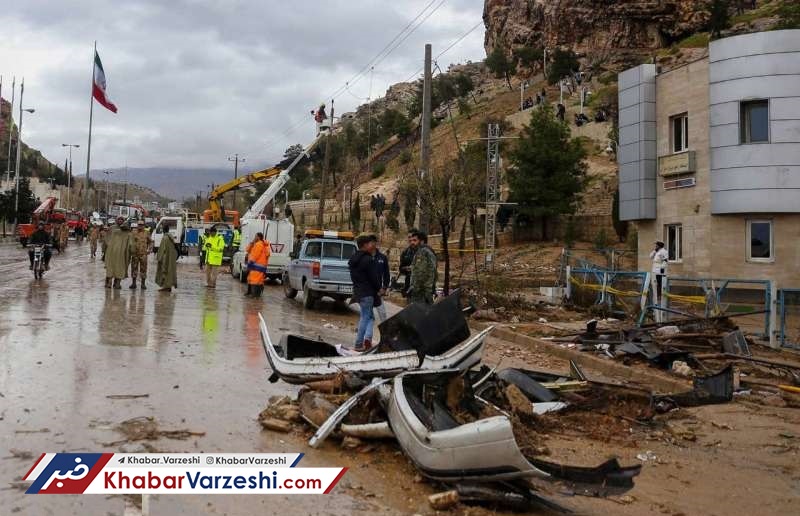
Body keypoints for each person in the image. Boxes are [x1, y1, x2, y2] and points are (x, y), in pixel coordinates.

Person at [348, 234, 382, 351]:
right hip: (367, 293)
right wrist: (379, 289)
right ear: (364, 245)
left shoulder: (353, 259)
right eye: (369, 244)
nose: (371, 245)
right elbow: (374, 278)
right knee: (365, 317)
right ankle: (359, 343)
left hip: (358, 292)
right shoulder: (368, 260)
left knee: (369, 317)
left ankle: (367, 339)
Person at [104, 217, 135, 289]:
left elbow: (106, 240)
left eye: (122, 220)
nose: (120, 221)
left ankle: (114, 283)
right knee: (118, 268)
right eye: (119, 219)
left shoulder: (121, 232)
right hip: (117, 253)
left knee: (112, 267)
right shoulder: (113, 229)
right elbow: (106, 239)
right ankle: (111, 283)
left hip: (115, 253)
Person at [407, 230, 437, 305]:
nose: (412, 243)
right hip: (417, 292)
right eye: (411, 240)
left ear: (422, 241)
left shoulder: (425, 252)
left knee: (420, 314)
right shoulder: (419, 252)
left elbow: (430, 272)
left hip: (422, 293)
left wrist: (427, 291)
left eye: (415, 240)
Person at [245, 232, 271, 297]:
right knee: (256, 280)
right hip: (258, 266)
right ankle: (253, 294)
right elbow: (248, 250)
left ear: (258, 237)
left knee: (255, 280)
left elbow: (255, 254)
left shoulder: (259, 244)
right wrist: (252, 243)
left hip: (256, 265)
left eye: (255, 236)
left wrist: (251, 262)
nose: (254, 237)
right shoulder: (259, 244)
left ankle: (254, 294)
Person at [129, 222, 152, 289]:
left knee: (143, 269)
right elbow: (130, 241)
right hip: (135, 254)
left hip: (143, 254)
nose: (140, 226)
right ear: (137, 225)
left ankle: (143, 284)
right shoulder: (133, 232)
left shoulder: (146, 233)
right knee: (134, 268)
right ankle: (133, 283)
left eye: (142, 225)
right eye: (139, 225)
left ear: (144, 226)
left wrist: (149, 249)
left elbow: (150, 242)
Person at [373, 243, 391, 323]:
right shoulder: (365, 257)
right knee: (367, 315)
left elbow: (386, 274)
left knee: (382, 314)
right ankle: (366, 334)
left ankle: (385, 332)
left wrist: (384, 288)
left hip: (378, 291)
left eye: (375, 243)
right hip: (367, 291)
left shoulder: (382, 258)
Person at [650, 240, 669, 310]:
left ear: (659, 245)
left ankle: (661, 298)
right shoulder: (657, 251)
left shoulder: (664, 251)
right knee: (656, 284)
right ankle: (657, 298)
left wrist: (662, 269)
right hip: (655, 270)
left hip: (660, 271)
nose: (655, 246)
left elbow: (665, 261)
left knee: (660, 285)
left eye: (656, 245)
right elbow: (650, 256)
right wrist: (654, 250)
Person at [398, 230, 418, 296]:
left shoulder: (423, 251)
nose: (410, 240)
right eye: (409, 237)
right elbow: (401, 268)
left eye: (412, 238)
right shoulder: (405, 252)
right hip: (408, 285)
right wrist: (406, 268)